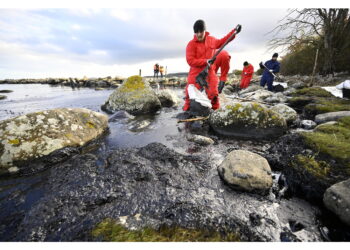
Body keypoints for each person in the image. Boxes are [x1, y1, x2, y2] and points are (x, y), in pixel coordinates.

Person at [183, 19, 241, 112]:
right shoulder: (191, 44)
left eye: (201, 31)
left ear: (205, 30)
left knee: (214, 94)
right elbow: (190, 61)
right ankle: (187, 114)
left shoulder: (212, 40)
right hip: (196, 73)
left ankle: (215, 113)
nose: (199, 34)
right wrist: (205, 61)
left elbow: (223, 41)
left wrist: (234, 32)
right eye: (196, 32)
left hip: (210, 72)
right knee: (190, 96)